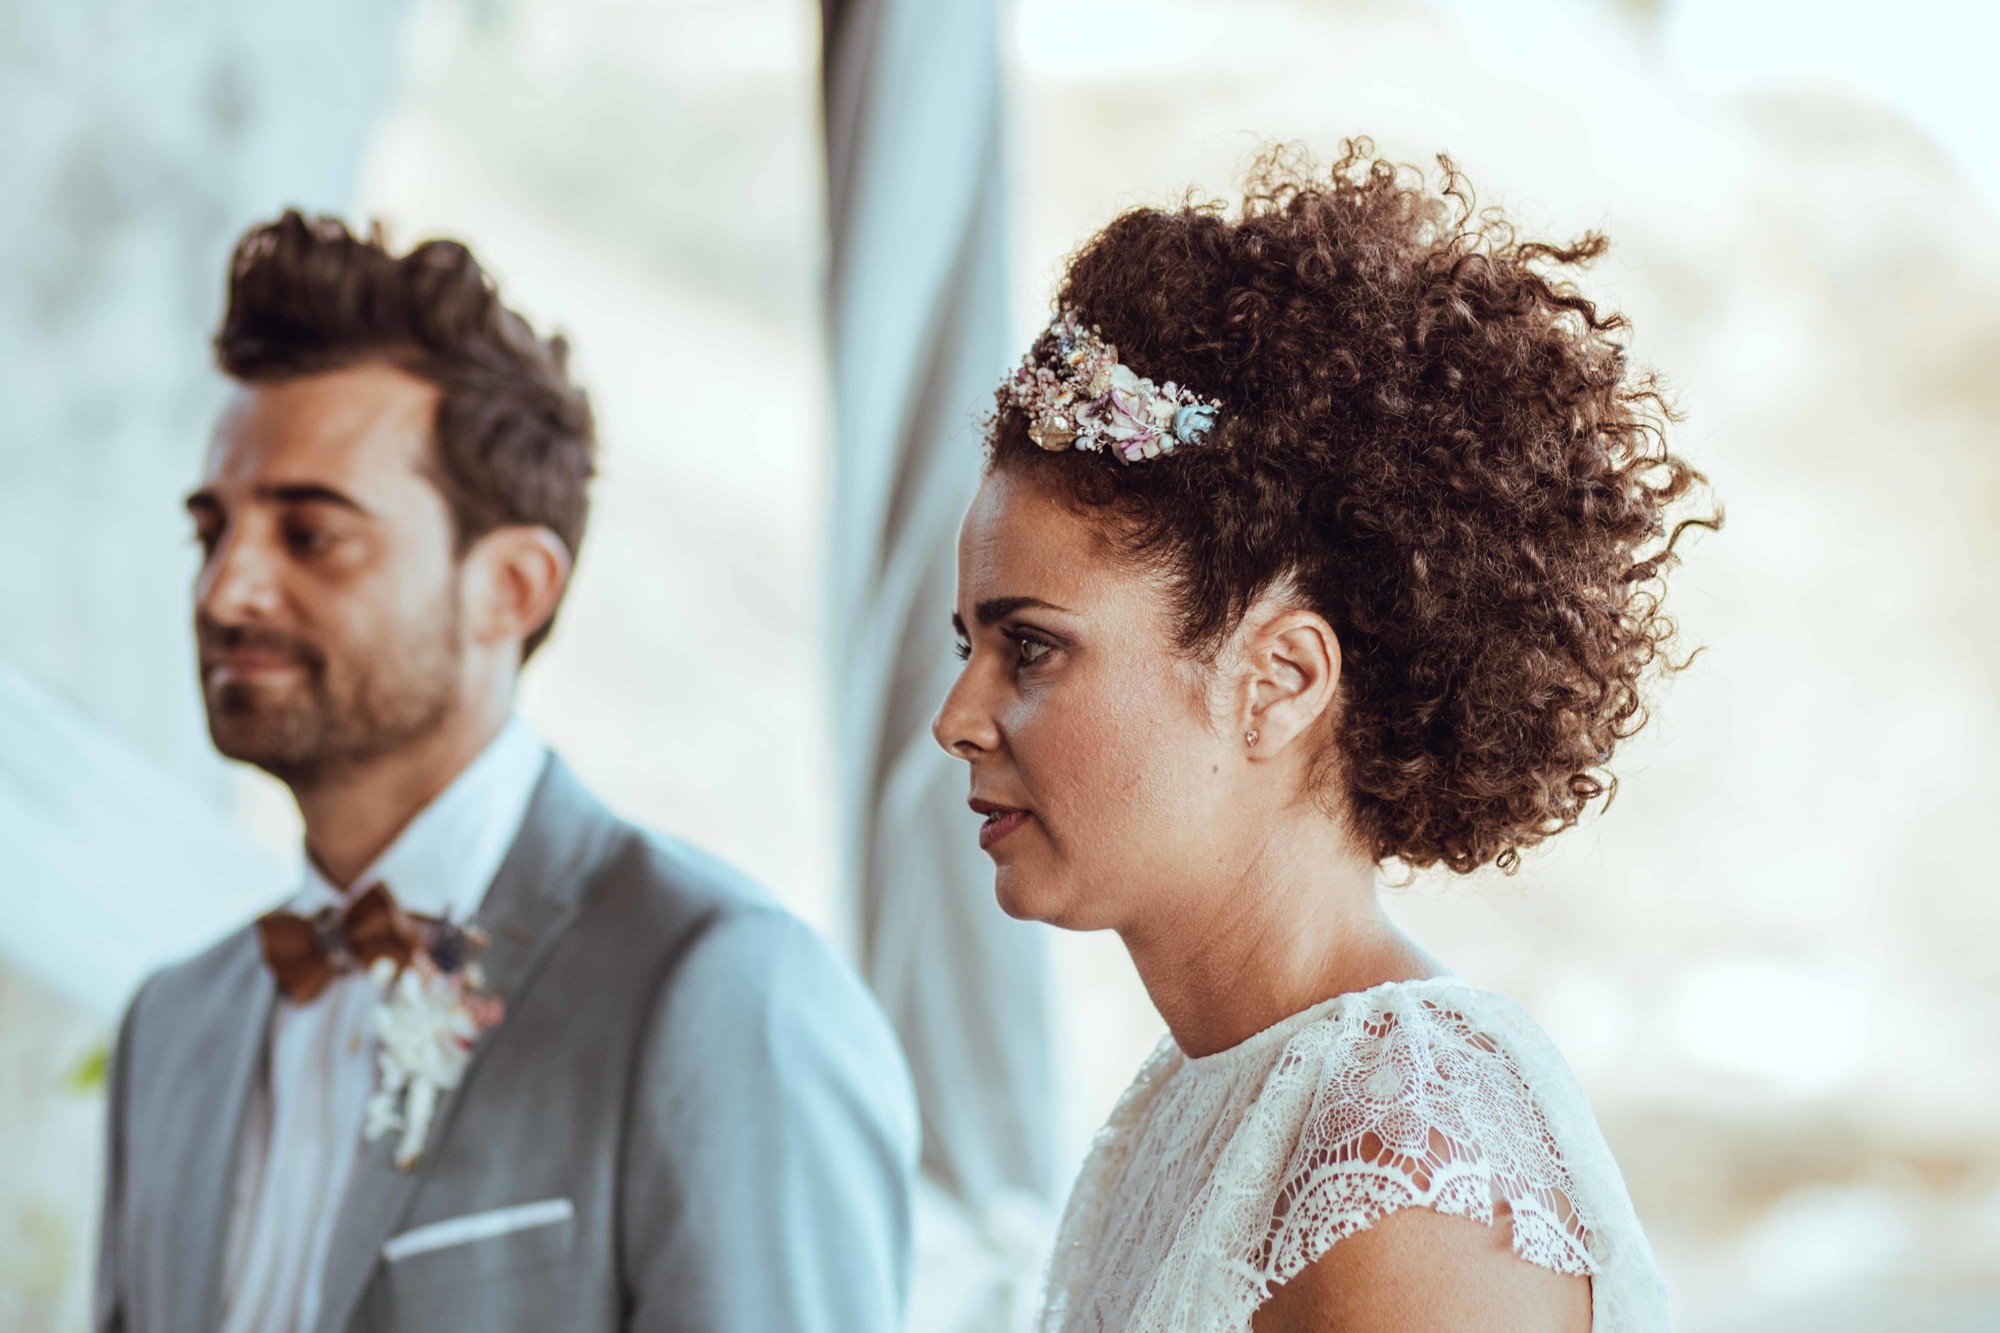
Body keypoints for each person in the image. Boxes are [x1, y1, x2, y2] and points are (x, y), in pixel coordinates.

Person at [933, 141, 1715, 1333]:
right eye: (965, 648)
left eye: (1029, 647)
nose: (956, 719)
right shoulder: (1211, 1093)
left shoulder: (1408, 1176)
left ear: (1279, 679)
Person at [94, 211, 918, 1333]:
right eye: (212, 532)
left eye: (309, 535)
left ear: (515, 588)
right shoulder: (171, 1029)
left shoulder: (724, 989)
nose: (225, 591)